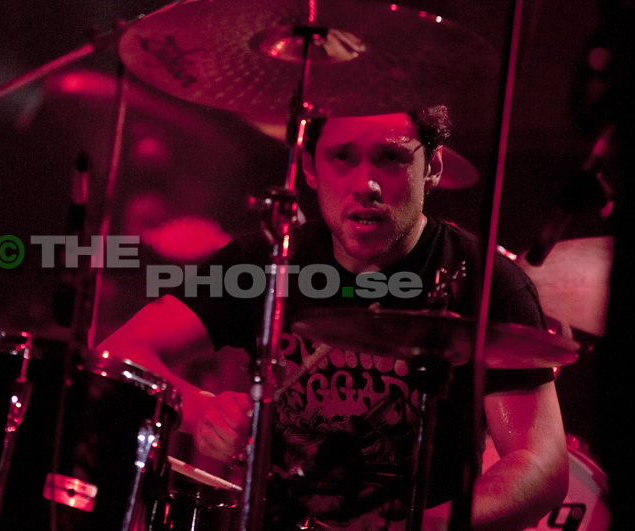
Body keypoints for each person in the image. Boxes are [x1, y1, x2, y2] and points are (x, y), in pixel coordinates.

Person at [95, 107, 569, 530]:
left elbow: (541, 466)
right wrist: (201, 411)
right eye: (342, 157)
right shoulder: (265, 262)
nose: (366, 185)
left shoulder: (486, 282)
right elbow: (117, 354)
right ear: (309, 168)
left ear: (433, 168)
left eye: (391, 158)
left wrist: (425, 527)